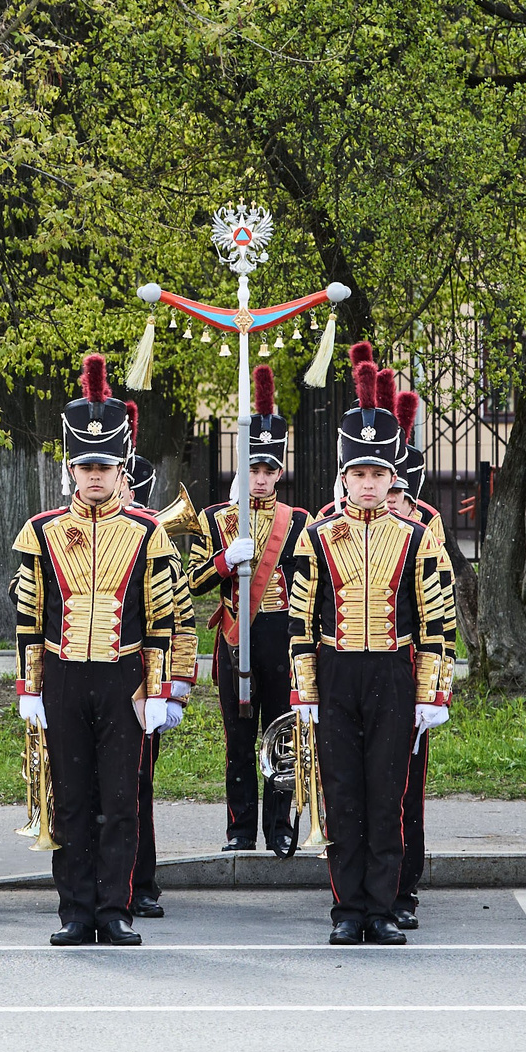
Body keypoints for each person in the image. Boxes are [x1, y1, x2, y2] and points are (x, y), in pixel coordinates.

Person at [10, 354, 183, 948]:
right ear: (71, 468)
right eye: (84, 465)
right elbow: (29, 616)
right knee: (70, 799)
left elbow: (163, 617)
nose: (94, 476)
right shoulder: (41, 530)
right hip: (61, 675)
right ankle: (74, 910)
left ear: (120, 467)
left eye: (104, 466)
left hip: (123, 679)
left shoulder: (147, 531)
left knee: (120, 799)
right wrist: (30, 686)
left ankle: (115, 909)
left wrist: (160, 689)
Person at [285, 358, 455, 947]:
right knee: (343, 794)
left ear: (391, 478)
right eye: (358, 472)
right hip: (335, 673)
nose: (367, 483)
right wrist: (305, 688)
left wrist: (433, 690)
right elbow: (300, 619)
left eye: (378, 473)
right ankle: (346, 907)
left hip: (392, 671)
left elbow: (437, 617)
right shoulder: (316, 535)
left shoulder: (416, 537)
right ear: (344, 474)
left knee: (387, 793)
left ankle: (381, 909)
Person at [196, 364, 306, 857]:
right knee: (238, 741)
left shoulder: (300, 522)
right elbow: (193, 584)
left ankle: (281, 828)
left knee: (282, 736)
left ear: (280, 472)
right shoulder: (217, 519)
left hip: (281, 645)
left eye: (269, 471)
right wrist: (225, 559)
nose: (261, 479)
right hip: (234, 641)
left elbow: (311, 585)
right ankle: (240, 832)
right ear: (243, 470)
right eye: (253, 470)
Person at [386, 381, 450, 930]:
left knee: (407, 786)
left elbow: (439, 615)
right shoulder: (333, 519)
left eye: (396, 491)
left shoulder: (425, 525)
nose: (389, 501)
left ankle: (403, 886)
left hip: (406, 669)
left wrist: (435, 689)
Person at [121, 427, 179, 920]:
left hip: (141, 681)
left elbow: (175, 619)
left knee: (136, 786)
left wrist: (172, 691)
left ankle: (140, 882)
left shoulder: (151, 535)